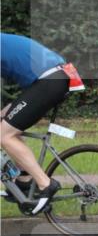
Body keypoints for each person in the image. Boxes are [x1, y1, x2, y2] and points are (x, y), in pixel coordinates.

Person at [1, 33, 85, 215]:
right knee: (7, 124)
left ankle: (45, 184)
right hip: (54, 78)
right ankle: (24, 180)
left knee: (4, 135)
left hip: (49, 81)